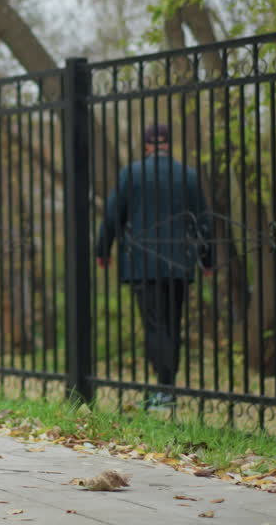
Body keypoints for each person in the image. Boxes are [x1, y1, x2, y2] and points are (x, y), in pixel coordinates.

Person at [95, 123, 212, 411]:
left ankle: (163, 392)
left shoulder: (130, 174)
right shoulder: (188, 175)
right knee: (173, 325)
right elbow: (203, 220)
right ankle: (168, 388)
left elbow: (112, 215)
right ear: (167, 144)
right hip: (178, 263)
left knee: (154, 326)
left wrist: (103, 250)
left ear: (146, 146)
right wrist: (206, 259)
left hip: (141, 263)